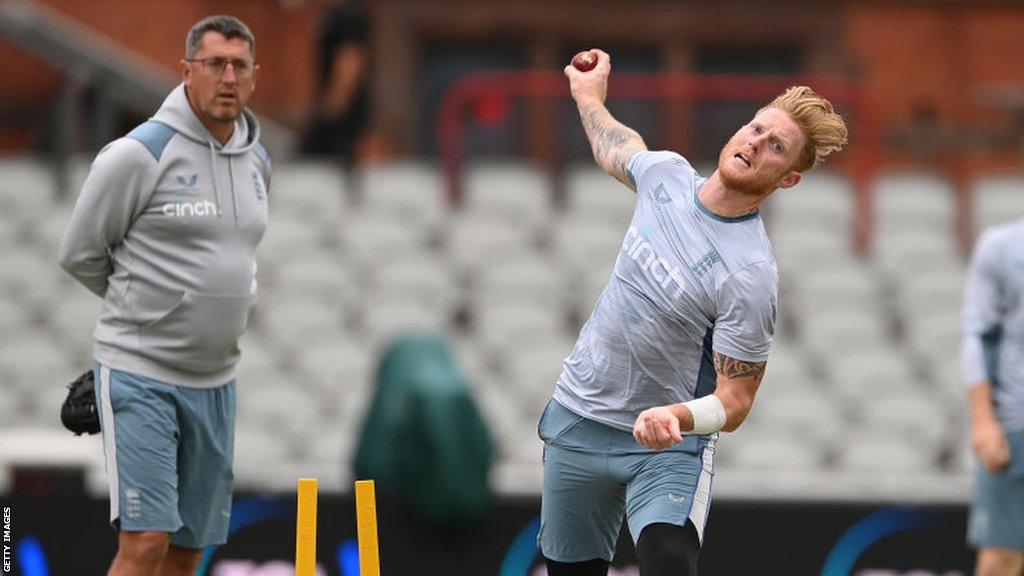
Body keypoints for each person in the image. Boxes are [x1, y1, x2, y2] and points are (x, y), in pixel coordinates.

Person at [538, 49, 848, 576]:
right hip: (580, 417)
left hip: (664, 444)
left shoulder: (750, 274)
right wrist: (589, 96)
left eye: (776, 146)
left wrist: (676, 416)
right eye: (756, 128)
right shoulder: (667, 176)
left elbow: (737, 398)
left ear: (788, 179)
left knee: (669, 563)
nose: (755, 143)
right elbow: (619, 146)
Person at [58, 15, 269, 576]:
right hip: (141, 372)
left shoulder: (258, 162)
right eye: (214, 64)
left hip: (216, 382)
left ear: (253, 76)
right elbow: (80, 252)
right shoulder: (138, 154)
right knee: (147, 542)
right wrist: (150, 315)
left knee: (185, 554)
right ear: (187, 72)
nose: (227, 76)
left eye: (238, 65)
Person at [963, 218, 1024, 576]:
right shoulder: (1001, 247)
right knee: (1000, 560)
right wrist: (984, 421)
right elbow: (977, 332)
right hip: (1016, 423)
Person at [299, 0, 371, 167]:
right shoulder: (327, 16)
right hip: (331, 117)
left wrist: (328, 115)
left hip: (342, 125)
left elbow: (350, 64)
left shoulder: (348, 16)